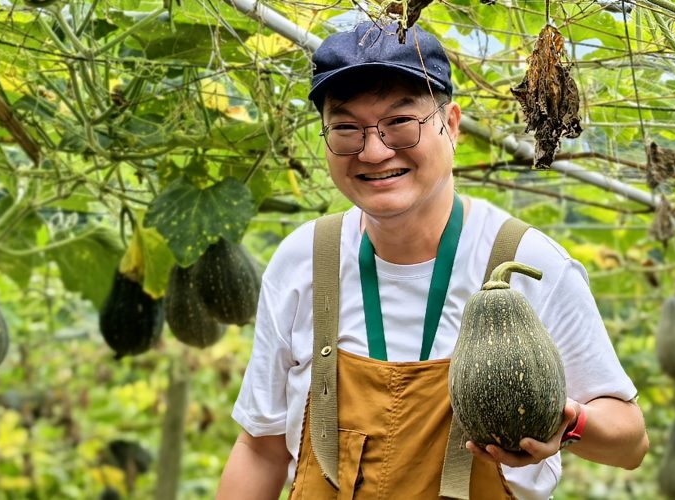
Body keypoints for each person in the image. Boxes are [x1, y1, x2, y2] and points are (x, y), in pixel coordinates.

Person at [217, 20, 648, 499]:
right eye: (346, 128)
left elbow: (630, 444)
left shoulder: (528, 261)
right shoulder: (302, 260)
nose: (374, 151)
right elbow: (261, 448)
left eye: (400, 122)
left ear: (452, 125)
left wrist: (570, 423)